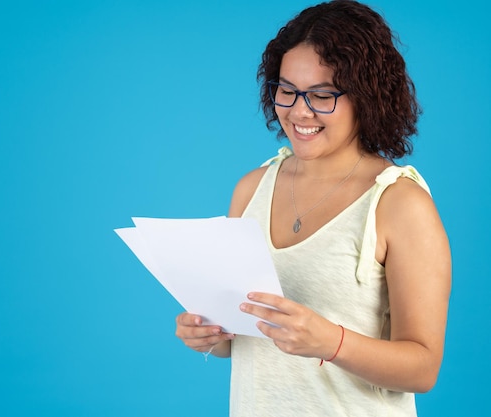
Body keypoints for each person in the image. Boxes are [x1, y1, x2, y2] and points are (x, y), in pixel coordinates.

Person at [174, 1, 452, 416]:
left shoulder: (399, 203)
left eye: (322, 95)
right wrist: (210, 336)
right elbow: (239, 341)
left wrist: (331, 342)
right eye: (287, 90)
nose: (299, 111)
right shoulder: (251, 189)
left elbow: (424, 368)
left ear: (367, 98)